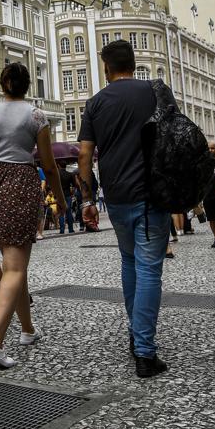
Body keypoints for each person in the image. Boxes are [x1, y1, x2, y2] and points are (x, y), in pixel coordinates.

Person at [77, 40, 172, 379]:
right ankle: (144, 351)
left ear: (106, 67)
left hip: (116, 196)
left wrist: (88, 200)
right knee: (149, 268)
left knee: (130, 262)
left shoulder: (95, 103)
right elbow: (174, 136)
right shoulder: (156, 92)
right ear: (134, 63)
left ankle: (137, 333)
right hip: (151, 193)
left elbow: (85, 156)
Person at [0, 63, 66, 369]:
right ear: (27, 85)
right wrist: (59, 199)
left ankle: (27, 329)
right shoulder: (36, 115)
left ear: (4, 83)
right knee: (16, 265)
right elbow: (48, 165)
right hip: (21, 181)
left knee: (13, 261)